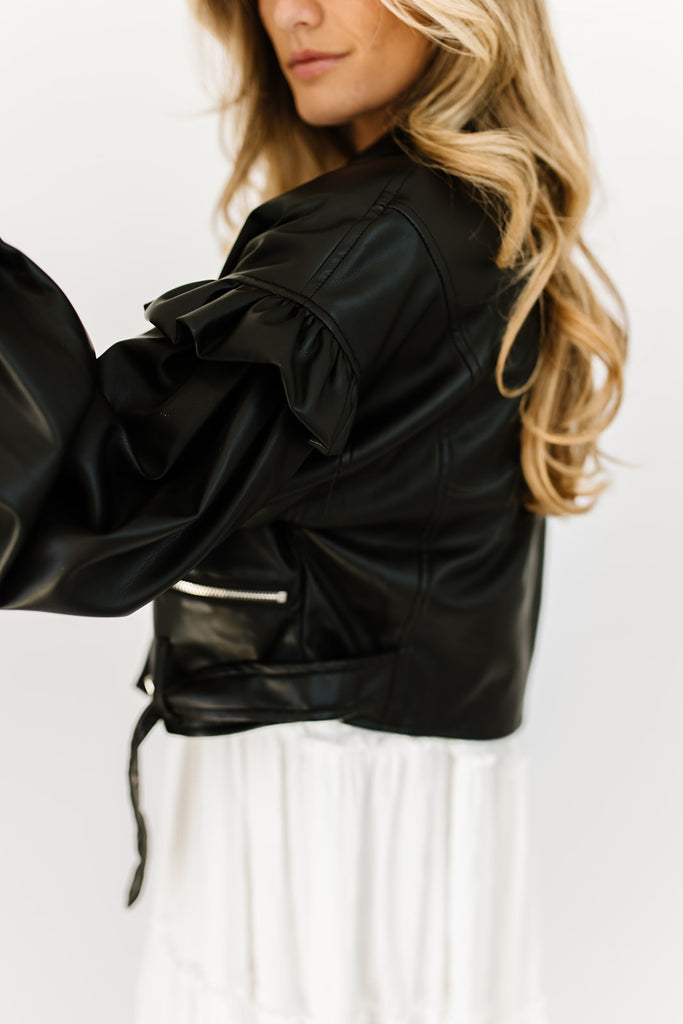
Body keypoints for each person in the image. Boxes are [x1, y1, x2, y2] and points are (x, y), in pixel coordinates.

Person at [0, 0, 627, 1021]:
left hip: (322, 811)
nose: (291, 11)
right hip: (396, 797)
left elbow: (91, 513)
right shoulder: (469, 213)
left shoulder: (379, 235)